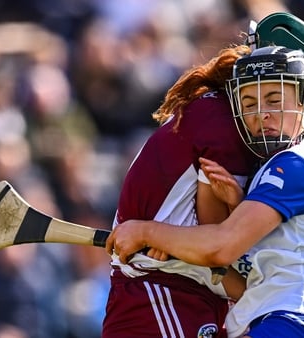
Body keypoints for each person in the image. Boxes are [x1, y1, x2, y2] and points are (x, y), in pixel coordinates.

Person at [107, 46, 304, 338]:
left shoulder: (296, 164)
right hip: (297, 319)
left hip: (301, 319)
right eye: (249, 104)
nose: (262, 115)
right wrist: (235, 207)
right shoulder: (284, 163)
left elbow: (221, 247)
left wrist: (145, 232)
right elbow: (256, 258)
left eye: (275, 100)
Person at [102, 44, 257, 338]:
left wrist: (167, 238)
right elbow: (218, 249)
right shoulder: (224, 124)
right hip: (162, 293)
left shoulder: (212, 109)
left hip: (176, 291)